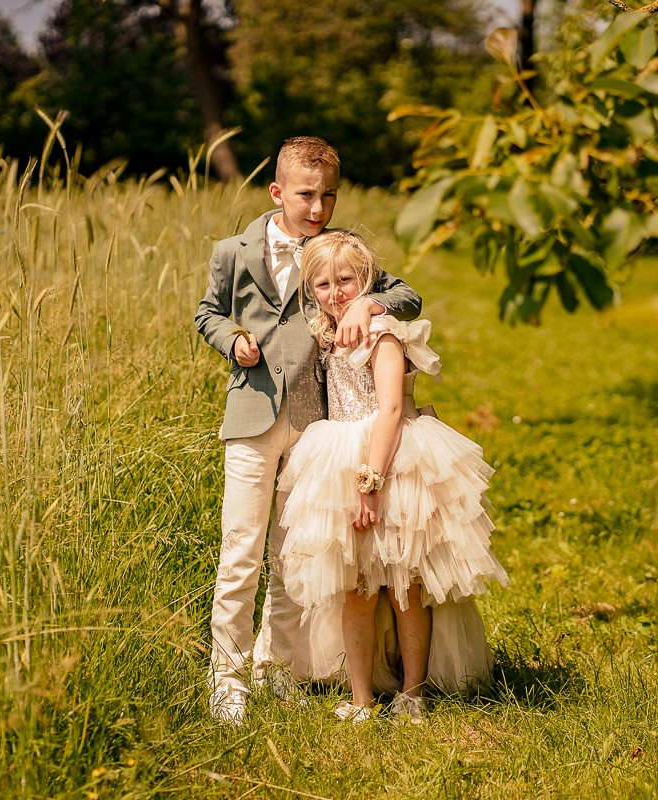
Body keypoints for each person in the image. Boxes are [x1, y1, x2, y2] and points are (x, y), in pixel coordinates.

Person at [194, 137, 422, 725]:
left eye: (328, 197)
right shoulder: (235, 251)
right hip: (251, 416)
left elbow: (405, 293)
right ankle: (228, 678)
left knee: (292, 555)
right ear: (276, 193)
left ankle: (282, 670)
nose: (318, 208)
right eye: (305, 196)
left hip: (313, 424)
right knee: (240, 551)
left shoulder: (336, 252)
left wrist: (363, 305)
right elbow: (207, 313)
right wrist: (231, 341)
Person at [277, 229, 509, 724]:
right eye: (323, 284)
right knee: (356, 586)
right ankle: (360, 697)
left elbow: (390, 411)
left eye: (346, 281)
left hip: (389, 464)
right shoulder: (327, 337)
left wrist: (371, 482)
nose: (335, 292)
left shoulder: (383, 337)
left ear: (367, 283)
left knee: (403, 585)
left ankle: (413, 693)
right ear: (310, 290)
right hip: (336, 458)